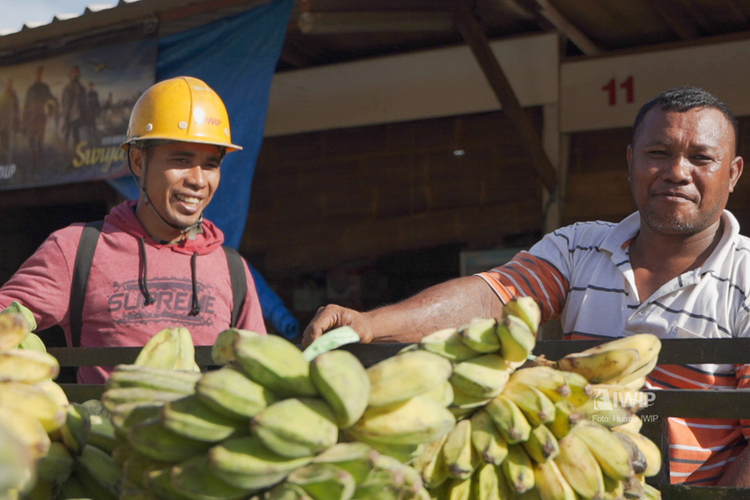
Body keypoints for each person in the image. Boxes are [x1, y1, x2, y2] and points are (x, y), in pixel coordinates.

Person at [302, 86, 750, 487]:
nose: (676, 171)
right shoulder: (579, 247)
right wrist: (372, 322)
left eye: (701, 158)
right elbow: (494, 295)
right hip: (571, 477)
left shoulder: (746, 277)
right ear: (631, 160)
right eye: (658, 152)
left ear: (732, 173)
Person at [0, 76, 267, 384]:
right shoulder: (76, 251)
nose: (198, 180)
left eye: (210, 164)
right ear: (139, 161)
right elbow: (7, 320)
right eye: (181, 159)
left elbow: (258, 373)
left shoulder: (232, 269)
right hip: (107, 430)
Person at [23, 66, 58, 165]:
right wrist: (25, 119)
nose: (39, 75)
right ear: (36, 74)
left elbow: (51, 99)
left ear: (42, 74)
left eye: (41, 73)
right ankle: (34, 160)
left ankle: (40, 162)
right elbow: (26, 104)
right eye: (38, 73)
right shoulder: (31, 89)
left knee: (39, 141)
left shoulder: (45, 88)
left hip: (41, 116)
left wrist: (51, 108)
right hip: (32, 117)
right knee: (31, 141)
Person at [60, 66, 86, 152]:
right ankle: (65, 151)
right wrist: (64, 116)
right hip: (68, 115)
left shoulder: (81, 88)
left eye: (76, 72)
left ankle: (77, 153)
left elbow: (84, 102)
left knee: (76, 135)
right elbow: (64, 102)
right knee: (66, 135)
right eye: (74, 72)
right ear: (71, 74)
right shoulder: (67, 88)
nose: (75, 74)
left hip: (77, 116)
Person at [0, 79, 20, 164]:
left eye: (11, 85)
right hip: (2, 124)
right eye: (9, 84)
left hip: (9, 124)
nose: (10, 86)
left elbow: (17, 112)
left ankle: (7, 163)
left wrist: (16, 125)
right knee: (2, 145)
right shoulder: (3, 96)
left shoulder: (14, 97)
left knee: (8, 145)